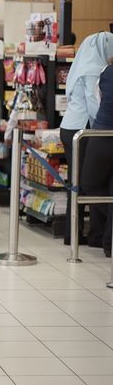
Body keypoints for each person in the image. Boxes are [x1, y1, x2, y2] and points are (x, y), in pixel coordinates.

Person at [60, 32, 113, 247]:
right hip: (83, 129)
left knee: (77, 182)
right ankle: (86, 235)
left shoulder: (81, 64)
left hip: (69, 126)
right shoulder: (94, 70)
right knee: (84, 183)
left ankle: (74, 233)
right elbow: (94, 106)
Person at [81, 58, 113, 257]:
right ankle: (109, 242)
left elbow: (98, 98)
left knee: (89, 183)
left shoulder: (107, 71)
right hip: (104, 133)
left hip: (102, 134)